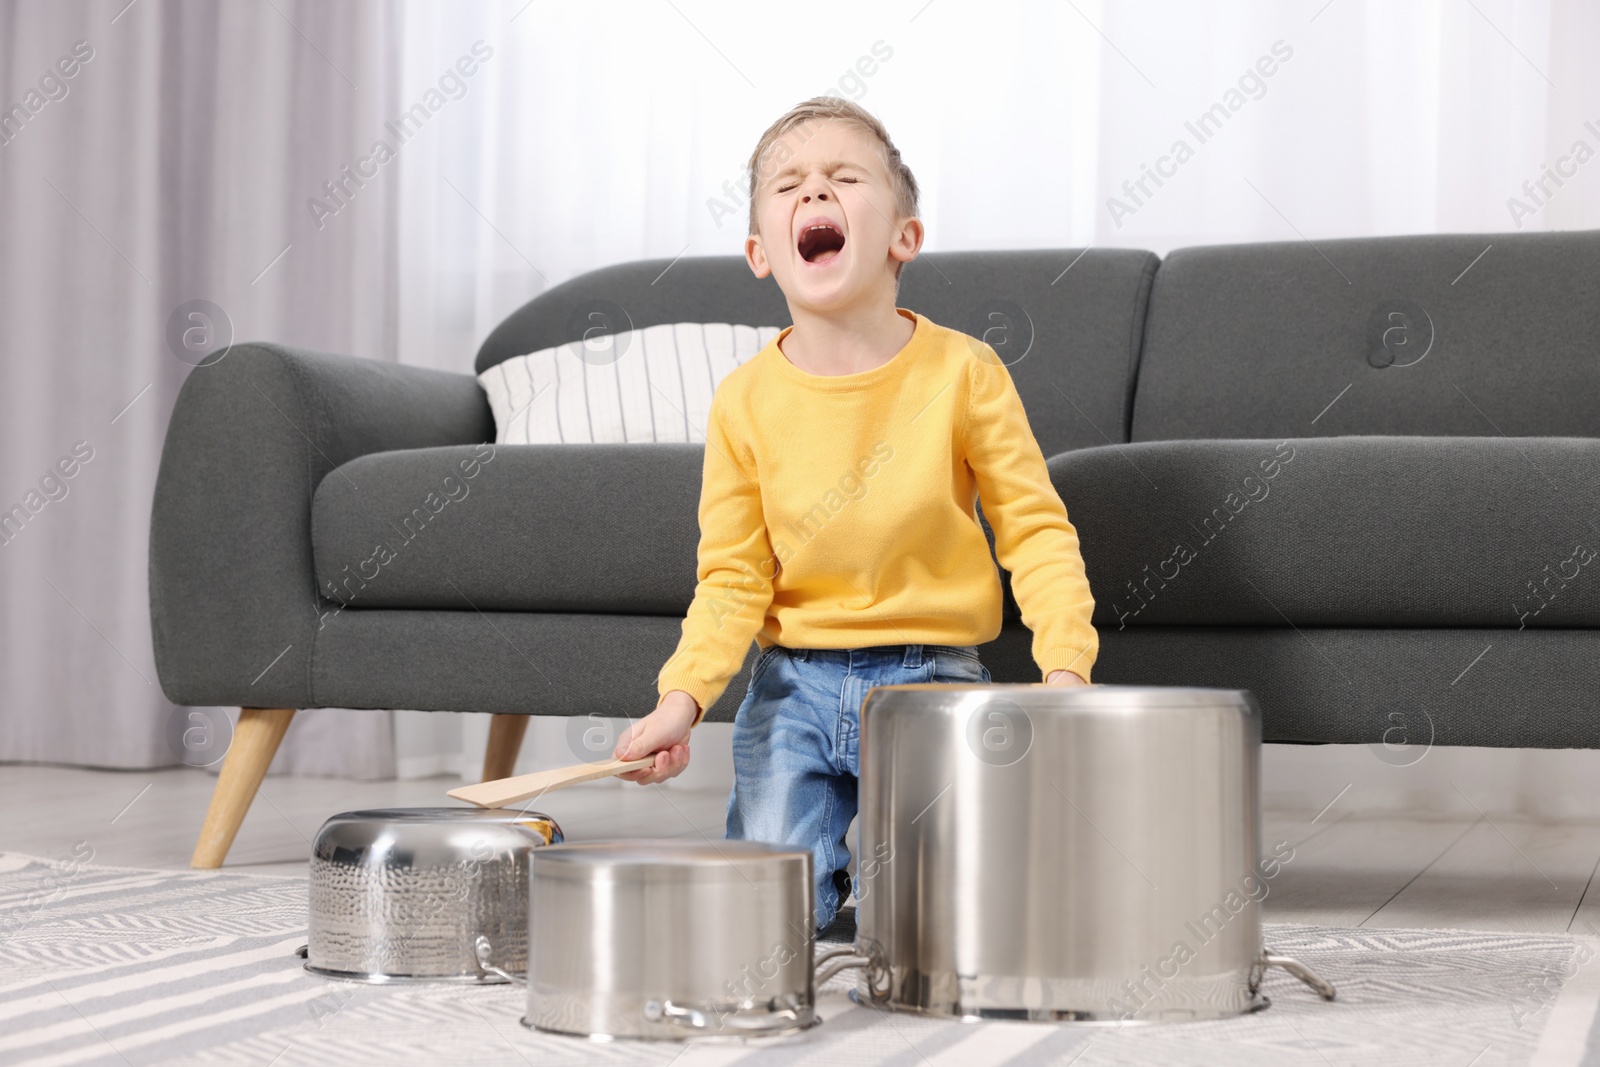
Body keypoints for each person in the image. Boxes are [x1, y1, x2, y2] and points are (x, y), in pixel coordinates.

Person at [613, 96, 1097, 933]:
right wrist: (680, 699)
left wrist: (1064, 674)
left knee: (950, 923)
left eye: (844, 178)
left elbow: (1035, 530)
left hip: (934, 677)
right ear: (763, 252)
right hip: (793, 684)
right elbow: (731, 580)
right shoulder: (742, 402)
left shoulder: (966, 371)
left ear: (904, 236)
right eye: (789, 185)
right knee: (768, 917)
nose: (815, 196)